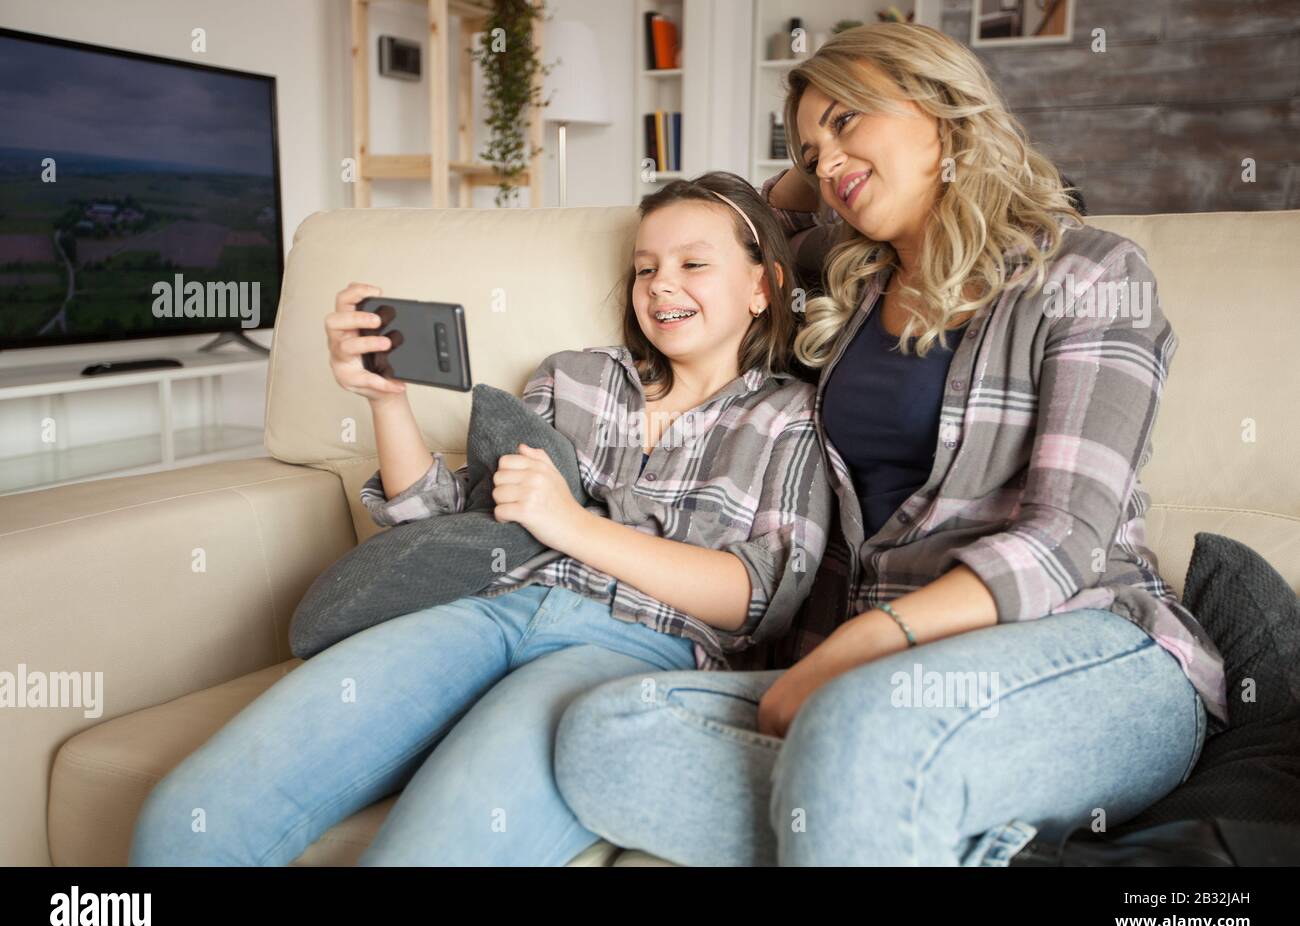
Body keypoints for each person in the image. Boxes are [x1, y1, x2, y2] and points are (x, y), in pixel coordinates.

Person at [553, 23, 1228, 867]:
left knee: (853, 735)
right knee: (604, 733)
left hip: (1087, 644)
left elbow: (1065, 540)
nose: (826, 161)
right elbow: (751, 224)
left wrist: (862, 644)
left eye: (847, 120)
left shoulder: (1089, 274)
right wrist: (821, 162)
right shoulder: (841, 276)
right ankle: (942, 834)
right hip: (880, 685)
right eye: (807, 143)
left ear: (944, 107)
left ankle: (871, 791)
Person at [127, 171, 833, 866]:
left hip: (634, 650)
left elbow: (759, 599)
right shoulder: (574, 376)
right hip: (488, 609)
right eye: (644, 267)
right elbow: (438, 516)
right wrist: (386, 399)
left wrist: (574, 524)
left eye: (693, 264)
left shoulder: (791, 417)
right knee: (187, 820)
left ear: (762, 285)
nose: (660, 285)